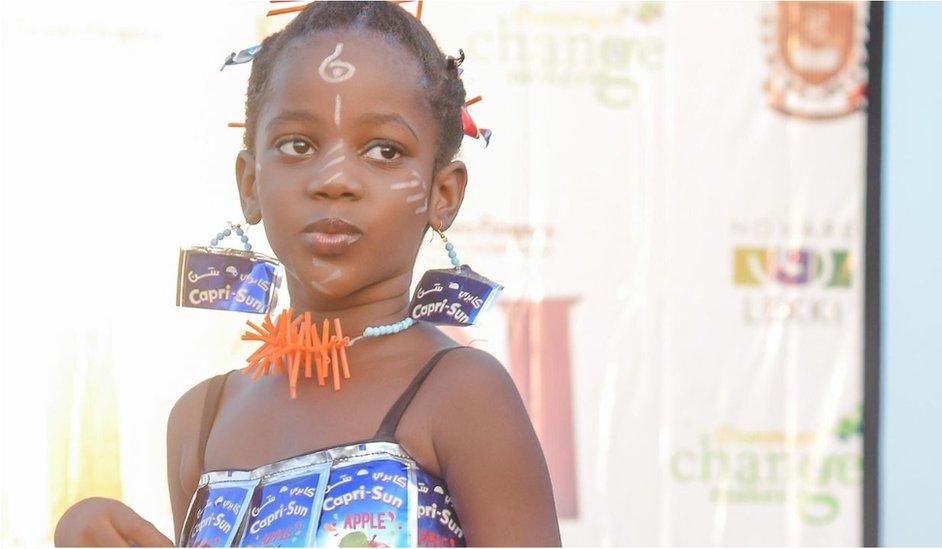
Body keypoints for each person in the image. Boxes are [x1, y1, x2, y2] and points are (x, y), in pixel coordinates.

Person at [54, 1, 561, 546]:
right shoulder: (200, 421)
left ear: (443, 194)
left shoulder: (463, 393)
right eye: (297, 145)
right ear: (250, 182)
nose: (334, 179)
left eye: (384, 150)